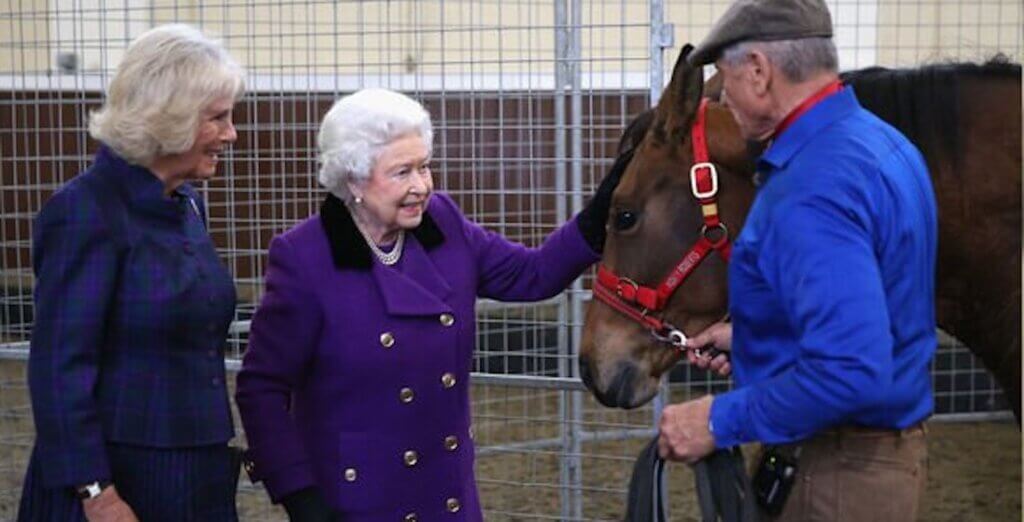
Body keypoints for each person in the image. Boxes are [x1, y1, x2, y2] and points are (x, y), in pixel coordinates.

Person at [235, 88, 619, 521]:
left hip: (445, 492)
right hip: (358, 500)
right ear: (355, 180)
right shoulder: (305, 257)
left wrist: (605, 210)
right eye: (402, 172)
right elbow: (261, 387)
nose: (422, 186)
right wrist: (299, 496)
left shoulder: (444, 222)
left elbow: (533, 275)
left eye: (425, 166)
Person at [656, 0, 937, 520]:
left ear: (759, 73)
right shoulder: (882, 144)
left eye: (725, 81)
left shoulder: (812, 185)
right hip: (878, 463)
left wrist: (718, 419)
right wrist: (757, 340)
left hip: (832, 476)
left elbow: (850, 370)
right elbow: (880, 319)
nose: (725, 100)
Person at [18, 24, 244, 521]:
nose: (232, 134)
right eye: (218, 118)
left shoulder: (186, 205)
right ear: (172, 119)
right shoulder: (86, 211)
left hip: (195, 471)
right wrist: (96, 493)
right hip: (119, 482)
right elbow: (60, 368)